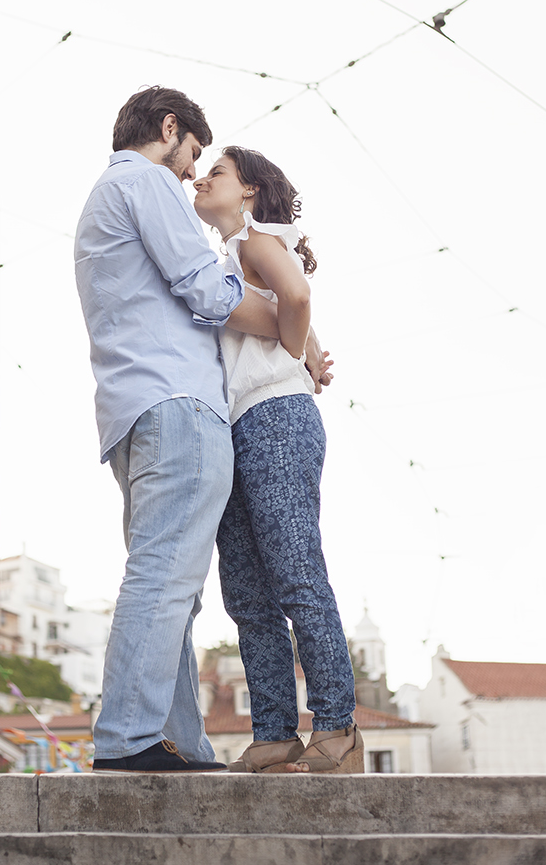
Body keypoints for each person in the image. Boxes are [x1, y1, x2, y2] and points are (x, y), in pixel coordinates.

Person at [74, 88, 330, 773]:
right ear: (168, 128)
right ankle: (129, 736)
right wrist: (292, 332)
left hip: (134, 412)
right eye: (193, 154)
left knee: (175, 585)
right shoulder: (146, 180)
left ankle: (178, 741)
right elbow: (206, 289)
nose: (191, 173)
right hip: (179, 407)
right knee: (165, 576)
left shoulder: (104, 197)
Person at [191, 145, 362, 774]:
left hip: (276, 419)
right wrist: (307, 349)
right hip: (237, 424)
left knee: (294, 574)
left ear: (250, 193)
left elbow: (296, 295)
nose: (203, 179)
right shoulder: (229, 255)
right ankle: (273, 732)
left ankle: (337, 728)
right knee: (246, 592)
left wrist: (296, 345)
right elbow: (283, 311)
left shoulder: (256, 242)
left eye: (219, 174)